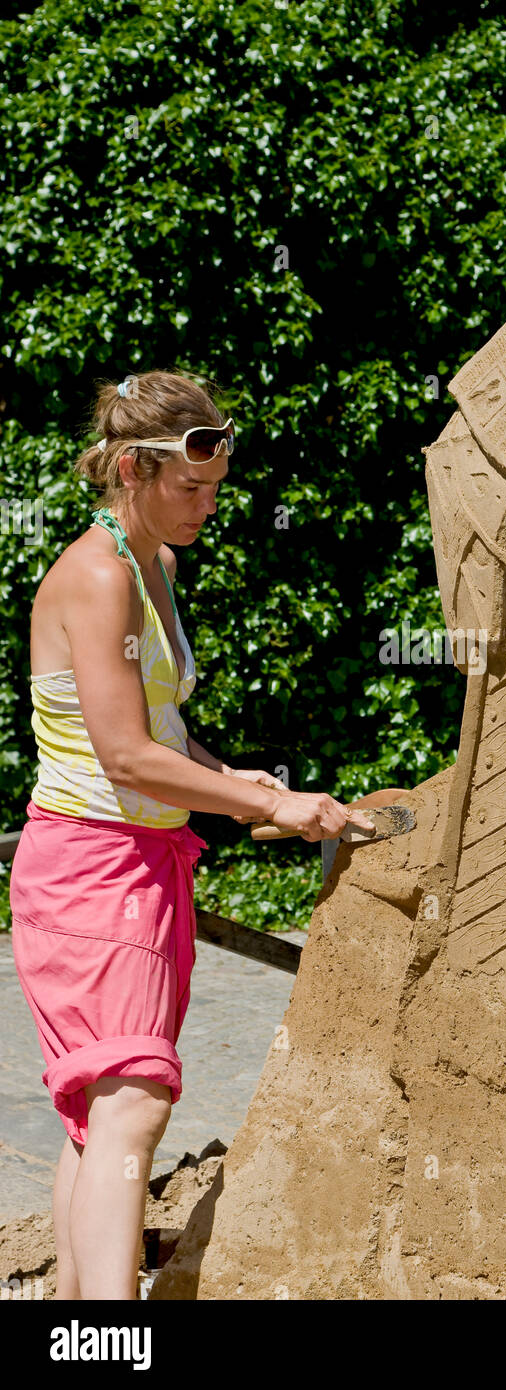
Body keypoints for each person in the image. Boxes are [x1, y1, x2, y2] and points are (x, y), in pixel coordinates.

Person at [8, 368, 373, 1301]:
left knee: (106, 1115)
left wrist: (227, 776)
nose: (207, 508)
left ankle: (78, 1327)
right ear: (133, 469)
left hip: (143, 860)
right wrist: (261, 805)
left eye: (214, 490)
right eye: (190, 488)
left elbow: (159, 732)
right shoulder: (95, 577)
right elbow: (125, 757)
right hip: (91, 866)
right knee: (133, 1106)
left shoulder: (153, 567)